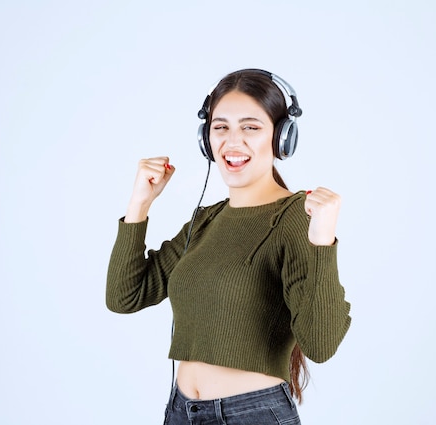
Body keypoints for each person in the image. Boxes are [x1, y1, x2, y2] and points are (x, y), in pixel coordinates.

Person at [106, 69, 351, 425]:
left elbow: (320, 343)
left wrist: (323, 242)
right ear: (206, 138)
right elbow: (124, 296)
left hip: (251, 415)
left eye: (251, 127)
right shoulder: (206, 220)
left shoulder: (297, 217)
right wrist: (139, 205)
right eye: (220, 127)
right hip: (180, 411)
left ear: (282, 138)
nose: (232, 142)